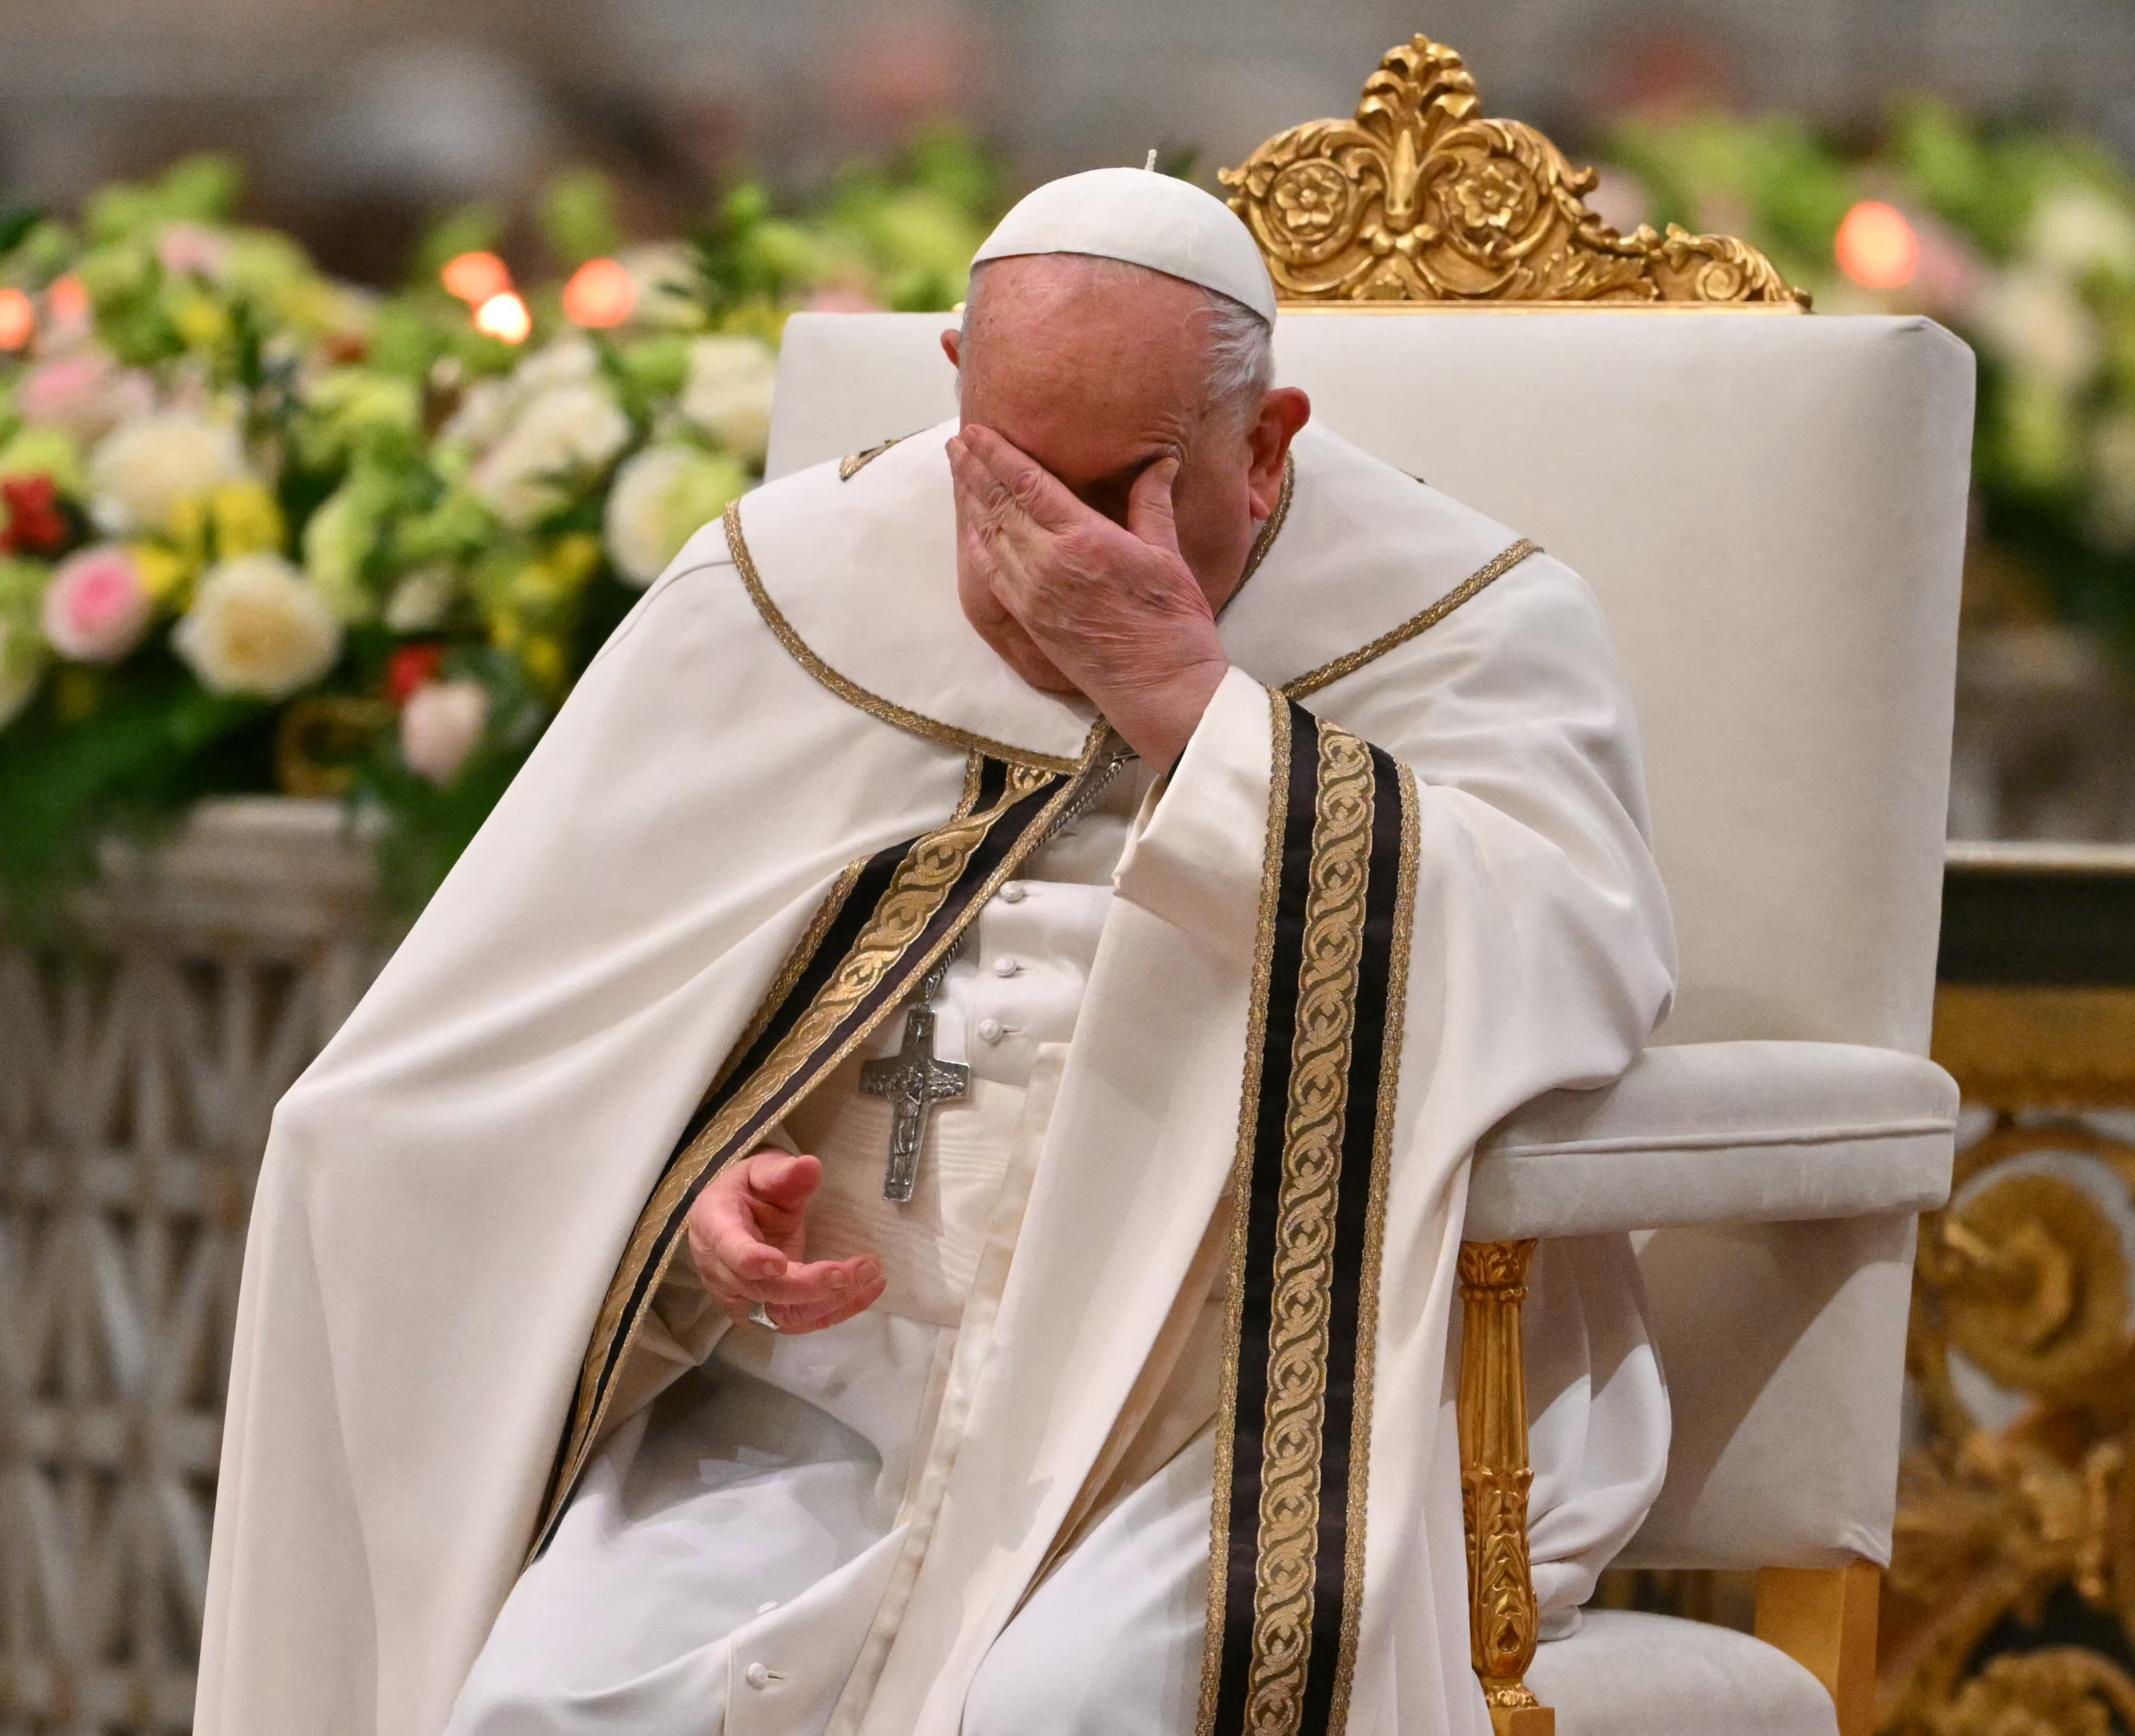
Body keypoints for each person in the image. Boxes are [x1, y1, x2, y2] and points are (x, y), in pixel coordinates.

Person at [196, 167, 1676, 1736]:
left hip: (1236, 1400)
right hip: (829, 1390)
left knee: (1059, 1709)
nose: (1054, 559)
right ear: (955, 388)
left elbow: (1568, 968)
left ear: (1267, 443)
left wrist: (1190, 705)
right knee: (558, 1699)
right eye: (1005, 480)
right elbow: (532, 1060)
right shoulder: (790, 588)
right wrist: (687, 1199)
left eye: (1125, 494)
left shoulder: (1468, 625)